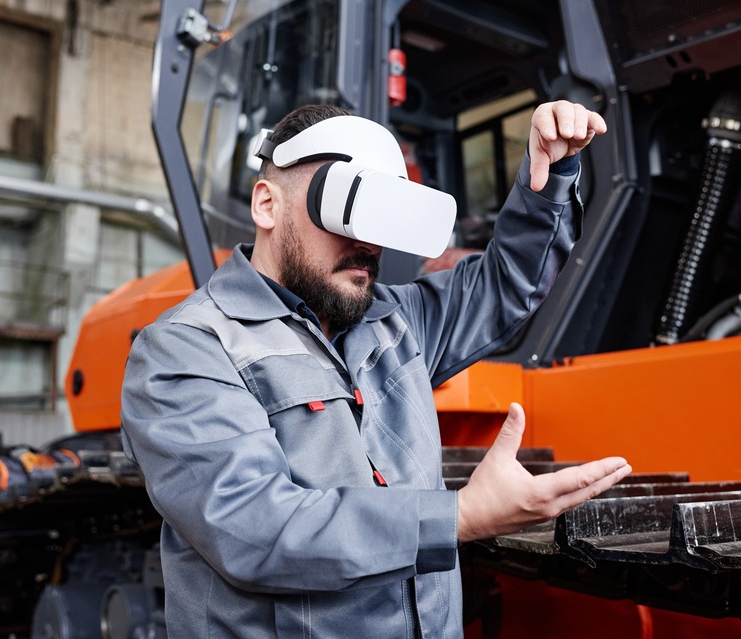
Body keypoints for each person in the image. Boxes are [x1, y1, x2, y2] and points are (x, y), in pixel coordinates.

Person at [120, 100, 630, 638]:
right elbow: (255, 529)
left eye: (381, 215)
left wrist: (548, 174)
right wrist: (460, 515)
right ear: (267, 205)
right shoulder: (187, 347)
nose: (366, 242)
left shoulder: (396, 321)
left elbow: (505, 284)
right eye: (345, 209)